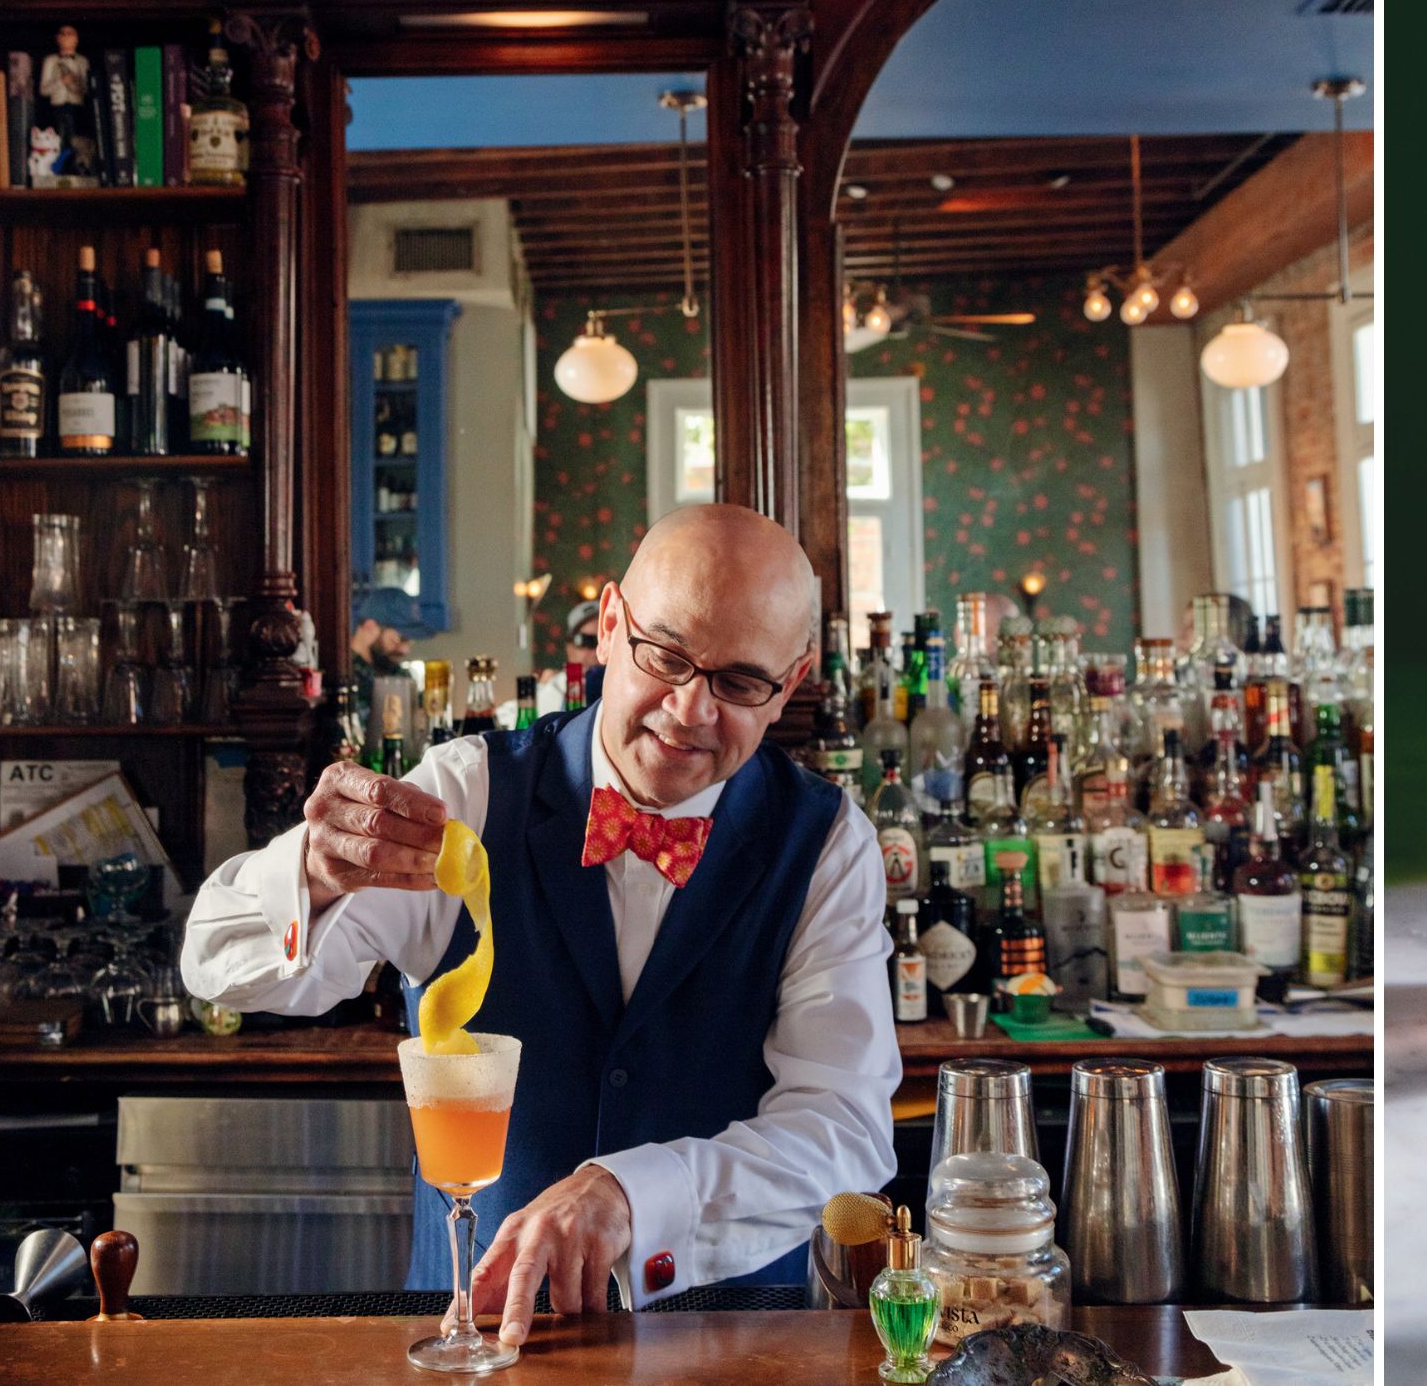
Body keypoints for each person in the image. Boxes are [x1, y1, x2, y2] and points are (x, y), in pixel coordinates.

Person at [182, 504, 898, 1342]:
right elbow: (220, 965)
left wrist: (632, 1192)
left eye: (739, 682)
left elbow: (842, 1131)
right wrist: (311, 872)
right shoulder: (466, 795)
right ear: (608, 625)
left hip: (733, 1336)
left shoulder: (826, 843)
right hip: (475, 1331)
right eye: (664, 655)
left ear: (795, 681)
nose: (689, 710)